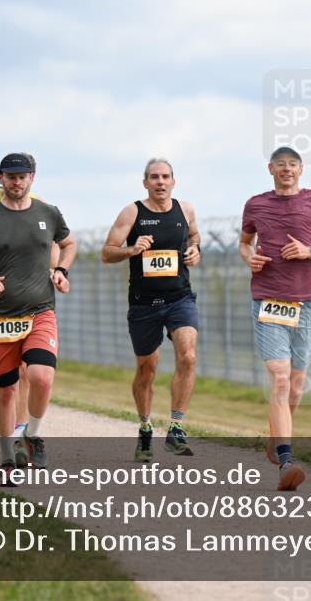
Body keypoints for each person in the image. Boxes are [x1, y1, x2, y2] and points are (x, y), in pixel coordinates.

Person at [0, 153, 76, 475]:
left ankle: (32, 436)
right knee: (6, 387)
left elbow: (69, 243)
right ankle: (8, 457)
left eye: (22, 176)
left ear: (32, 178)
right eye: (11, 176)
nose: (17, 181)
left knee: (40, 377)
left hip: (40, 311)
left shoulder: (48, 212)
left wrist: (60, 270)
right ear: (0, 178)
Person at [238, 146, 311, 491]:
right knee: (281, 379)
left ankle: (277, 435)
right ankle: (286, 459)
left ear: (301, 170)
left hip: (306, 304)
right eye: (280, 165)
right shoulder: (256, 204)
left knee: (296, 385)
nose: (287, 169)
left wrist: (309, 251)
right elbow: (244, 243)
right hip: (267, 300)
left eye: (293, 165)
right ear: (270, 169)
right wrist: (248, 258)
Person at [101, 158, 201, 462]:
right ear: (145, 182)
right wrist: (131, 249)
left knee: (188, 354)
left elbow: (194, 236)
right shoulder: (133, 212)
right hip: (144, 303)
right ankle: (145, 428)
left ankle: (175, 427)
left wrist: (196, 249)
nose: (160, 182)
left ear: (174, 181)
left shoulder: (185, 210)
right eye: (154, 177)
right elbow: (107, 252)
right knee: (147, 368)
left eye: (166, 176)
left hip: (179, 298)